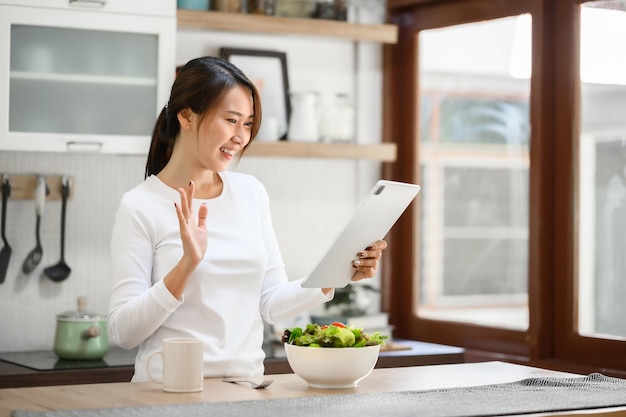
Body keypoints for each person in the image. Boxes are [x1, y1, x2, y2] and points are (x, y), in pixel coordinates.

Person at [108, 56, 388, 382]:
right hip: (168, 392)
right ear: (186, 115)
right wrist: (186, 266)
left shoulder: (250, 193)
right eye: (231, 120)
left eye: (247, 123)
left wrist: (336, 273)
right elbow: (123, 333)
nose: (241, 136)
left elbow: (271, 302)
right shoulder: (141, 205)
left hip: (245, 388)